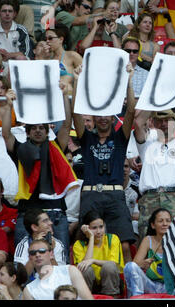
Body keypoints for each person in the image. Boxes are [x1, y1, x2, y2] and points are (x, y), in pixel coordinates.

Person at [1, 77, 75, 259]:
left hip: (56, 214)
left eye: (42, 127)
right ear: (27, 132)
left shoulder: (56, 146)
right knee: (23, 261)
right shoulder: (20, 149)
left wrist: (65, 96)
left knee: (60, 261)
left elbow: (66, 125)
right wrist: (9, 105)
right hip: (27, 214)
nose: (38, 130)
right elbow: (6, 134)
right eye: (33, 128)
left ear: (47, 130)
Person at [72, 62, 137, 263]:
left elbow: (132, 112)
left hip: (115, 194)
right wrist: (77, 81)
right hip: (91, 194)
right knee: (86, 241)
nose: (102, 118)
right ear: (93, 116)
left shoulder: (120, 137)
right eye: (98, 115)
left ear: (112, 116)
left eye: (106, 114)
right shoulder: (87, 137)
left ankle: (128, 287)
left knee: (124, 243)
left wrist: (128, 81)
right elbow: (75, 113)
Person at [133, 72, 175, 238]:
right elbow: (138, 122)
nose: (163, 123)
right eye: (159, 119)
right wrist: (155, 97)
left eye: (168, 119)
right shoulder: (147, 142)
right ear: (153, 122)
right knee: (146, 243)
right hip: (150, 198)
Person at [73, 211, 124, 298]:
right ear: (86, 229)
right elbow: (83, 266)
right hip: (90, 286)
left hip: (111, 283)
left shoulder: (112, 239)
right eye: (94, 228)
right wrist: (91, 238)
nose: (99, 231)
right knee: (86, 269)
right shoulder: (78, 244)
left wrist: (93, 261)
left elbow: (114, 264)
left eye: (101, 227)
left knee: (109, 266)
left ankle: (111, 298)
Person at [22, 239, 93, 300]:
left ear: (51, 254)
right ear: (29, 258)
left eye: (42, 251)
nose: (37, 255)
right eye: (33, 253)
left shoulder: (70, 271)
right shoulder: (29, 290)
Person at [123, 208, 171, 297]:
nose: (165, 224)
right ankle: (137, 298)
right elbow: (135, 264)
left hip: (170, 287)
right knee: (129, 266)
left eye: (168, 221)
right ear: (153, 225)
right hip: (150, 285)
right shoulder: (147, 240)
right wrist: (143, 264)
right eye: (160, 221)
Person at [14, 208, 67, 278]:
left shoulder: (57, 244)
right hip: (30, 285)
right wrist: (34, 249)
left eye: (49, 219)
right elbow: (21, 277)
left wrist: (50, 251)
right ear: (35, 227)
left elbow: (60, 275)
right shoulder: (23, 245)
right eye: (45, 221)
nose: (51, 223)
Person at [46, 25, 83, 96]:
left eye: (50, 38)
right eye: (46, 38)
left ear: (61, 39)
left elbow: (86, 75)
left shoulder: (72, 55)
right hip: (52, 98)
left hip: (69, 97)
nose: (47, 41)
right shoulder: (48, 59)